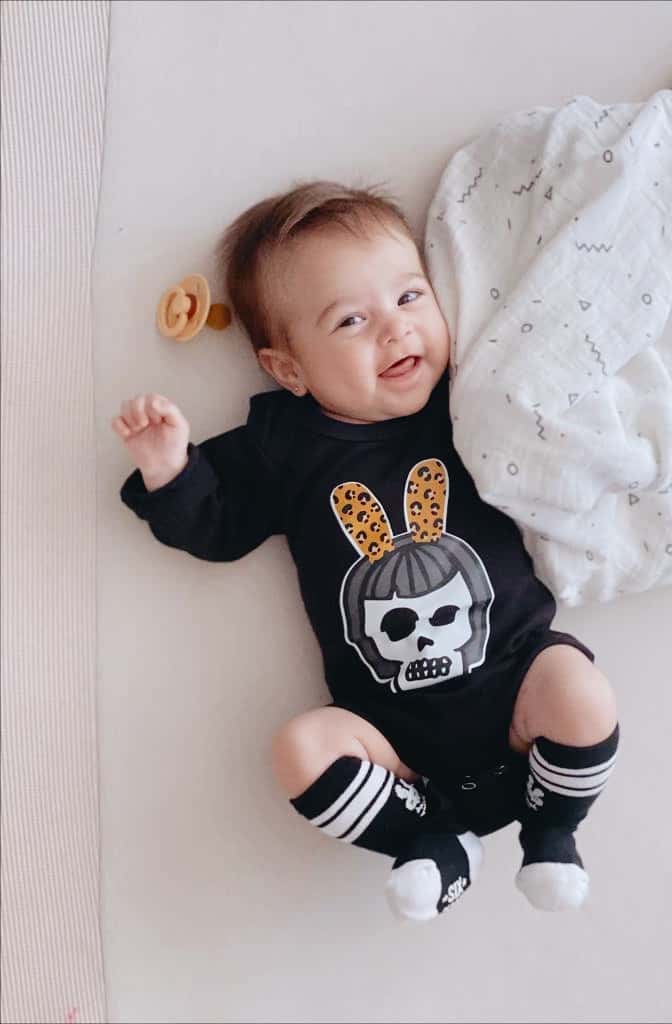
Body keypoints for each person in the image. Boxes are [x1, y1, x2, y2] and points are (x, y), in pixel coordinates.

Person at [112, 180, 619, 922]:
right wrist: (170, 468)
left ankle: (552, 829)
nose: (394, 329)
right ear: (289, 369)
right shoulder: (286, 444)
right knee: (300, 750)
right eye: (351, 319)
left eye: (410, 297)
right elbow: (215, 527)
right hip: (391, 738)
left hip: (518, 683)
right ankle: (434, 841)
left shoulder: (467, 399)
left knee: (581, 691)